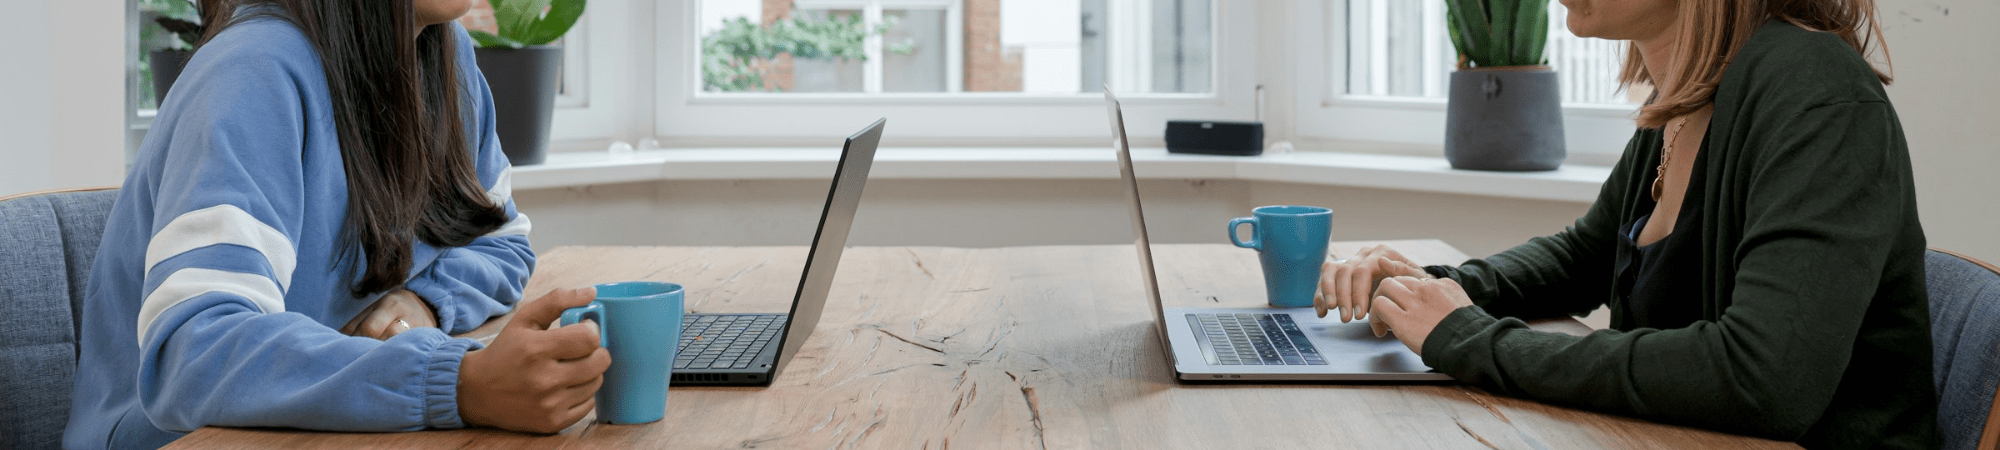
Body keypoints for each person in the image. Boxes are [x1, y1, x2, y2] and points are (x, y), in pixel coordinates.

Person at [1316, 0, 1934, 448]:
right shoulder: (1692, 95)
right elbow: (1584, 257)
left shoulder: (1818, 98)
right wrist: (1425, 289)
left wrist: (1471, 339)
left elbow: (1763, 377)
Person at [64, 1, 610, 448]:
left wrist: (426, 301)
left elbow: (501, 243)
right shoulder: (251, 73)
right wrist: (457, 384)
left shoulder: (442, 56)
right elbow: (194, 353)